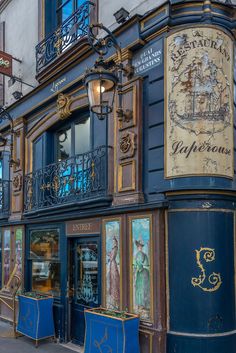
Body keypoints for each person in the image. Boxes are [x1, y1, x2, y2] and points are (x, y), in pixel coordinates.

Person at [135, 238, 150, 311]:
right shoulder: (137, 254)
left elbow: (144, 264)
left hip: (143, 273)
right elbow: (135, 264)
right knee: (139, 288)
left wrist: (139, 267)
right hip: (139, 273)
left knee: (143, 288)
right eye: (138, 246)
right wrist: (136, 267)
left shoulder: (143, 254)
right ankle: (140, 304)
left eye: (140, 246)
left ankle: (143, 304)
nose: (139, 247)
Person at [107, 236, 120, 309]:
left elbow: (112, 258)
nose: (113, 243)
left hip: (113, 265)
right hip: (112, 265)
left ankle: (115, 298)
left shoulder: (115, 248)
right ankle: (113, 297)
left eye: (114, 241)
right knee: (111, 280)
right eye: (112, 241)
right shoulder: (113, 248)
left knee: (114, 280)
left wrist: (109, 255)